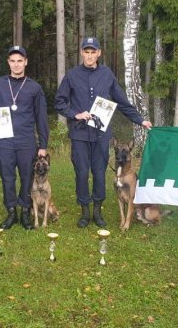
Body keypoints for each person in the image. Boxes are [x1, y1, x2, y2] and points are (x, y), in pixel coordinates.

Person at [54, 36, 152, 228]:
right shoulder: (72, 75)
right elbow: (59, 102)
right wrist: (75, 114)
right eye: (86, 52)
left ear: (99, 53)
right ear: (82, 52)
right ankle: (85, 212)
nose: (89, 56)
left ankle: (98, 211)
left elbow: (122, 102)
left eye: (93, 52)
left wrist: (140, 119)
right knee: (81, 173)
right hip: (80, 135)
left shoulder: (107, 74)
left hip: (100, 136)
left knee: (99, 173)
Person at [0, 45, 49, 230]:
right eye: (13, 61)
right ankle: (11, 211)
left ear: (26, 62)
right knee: (7, 177)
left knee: (27, 177)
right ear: (8, 62)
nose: (16, 64)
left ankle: (25, 212)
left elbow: (41, 118)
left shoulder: (35, 87)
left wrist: (43, 145)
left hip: (26, 141)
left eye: (20, 60)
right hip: (5, 141)